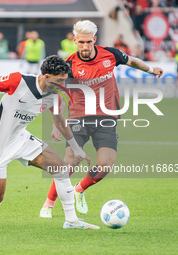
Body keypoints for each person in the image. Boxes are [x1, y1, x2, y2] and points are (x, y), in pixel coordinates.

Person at [0, 55, 99, 230]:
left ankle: (71, 221)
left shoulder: (55, 95)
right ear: (46, 77)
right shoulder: (18, 80)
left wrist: (77, 148)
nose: (63, 85)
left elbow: (60, 121)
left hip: (21, 138)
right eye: (60, 80)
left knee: (61, 170)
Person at [39, 20, 163, 218]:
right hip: (78, 117)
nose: (85, 46)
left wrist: (150, 70)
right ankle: (49, 203)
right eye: (81, 42)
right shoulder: (69, 64)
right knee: (70, 162)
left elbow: (132, 61)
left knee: (106, 164)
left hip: (107, 117)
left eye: (88, 42)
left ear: (94, 40)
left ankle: (79, 189)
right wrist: (56, 123)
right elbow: (58, 92)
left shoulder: (110, 54)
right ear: (75, 41)